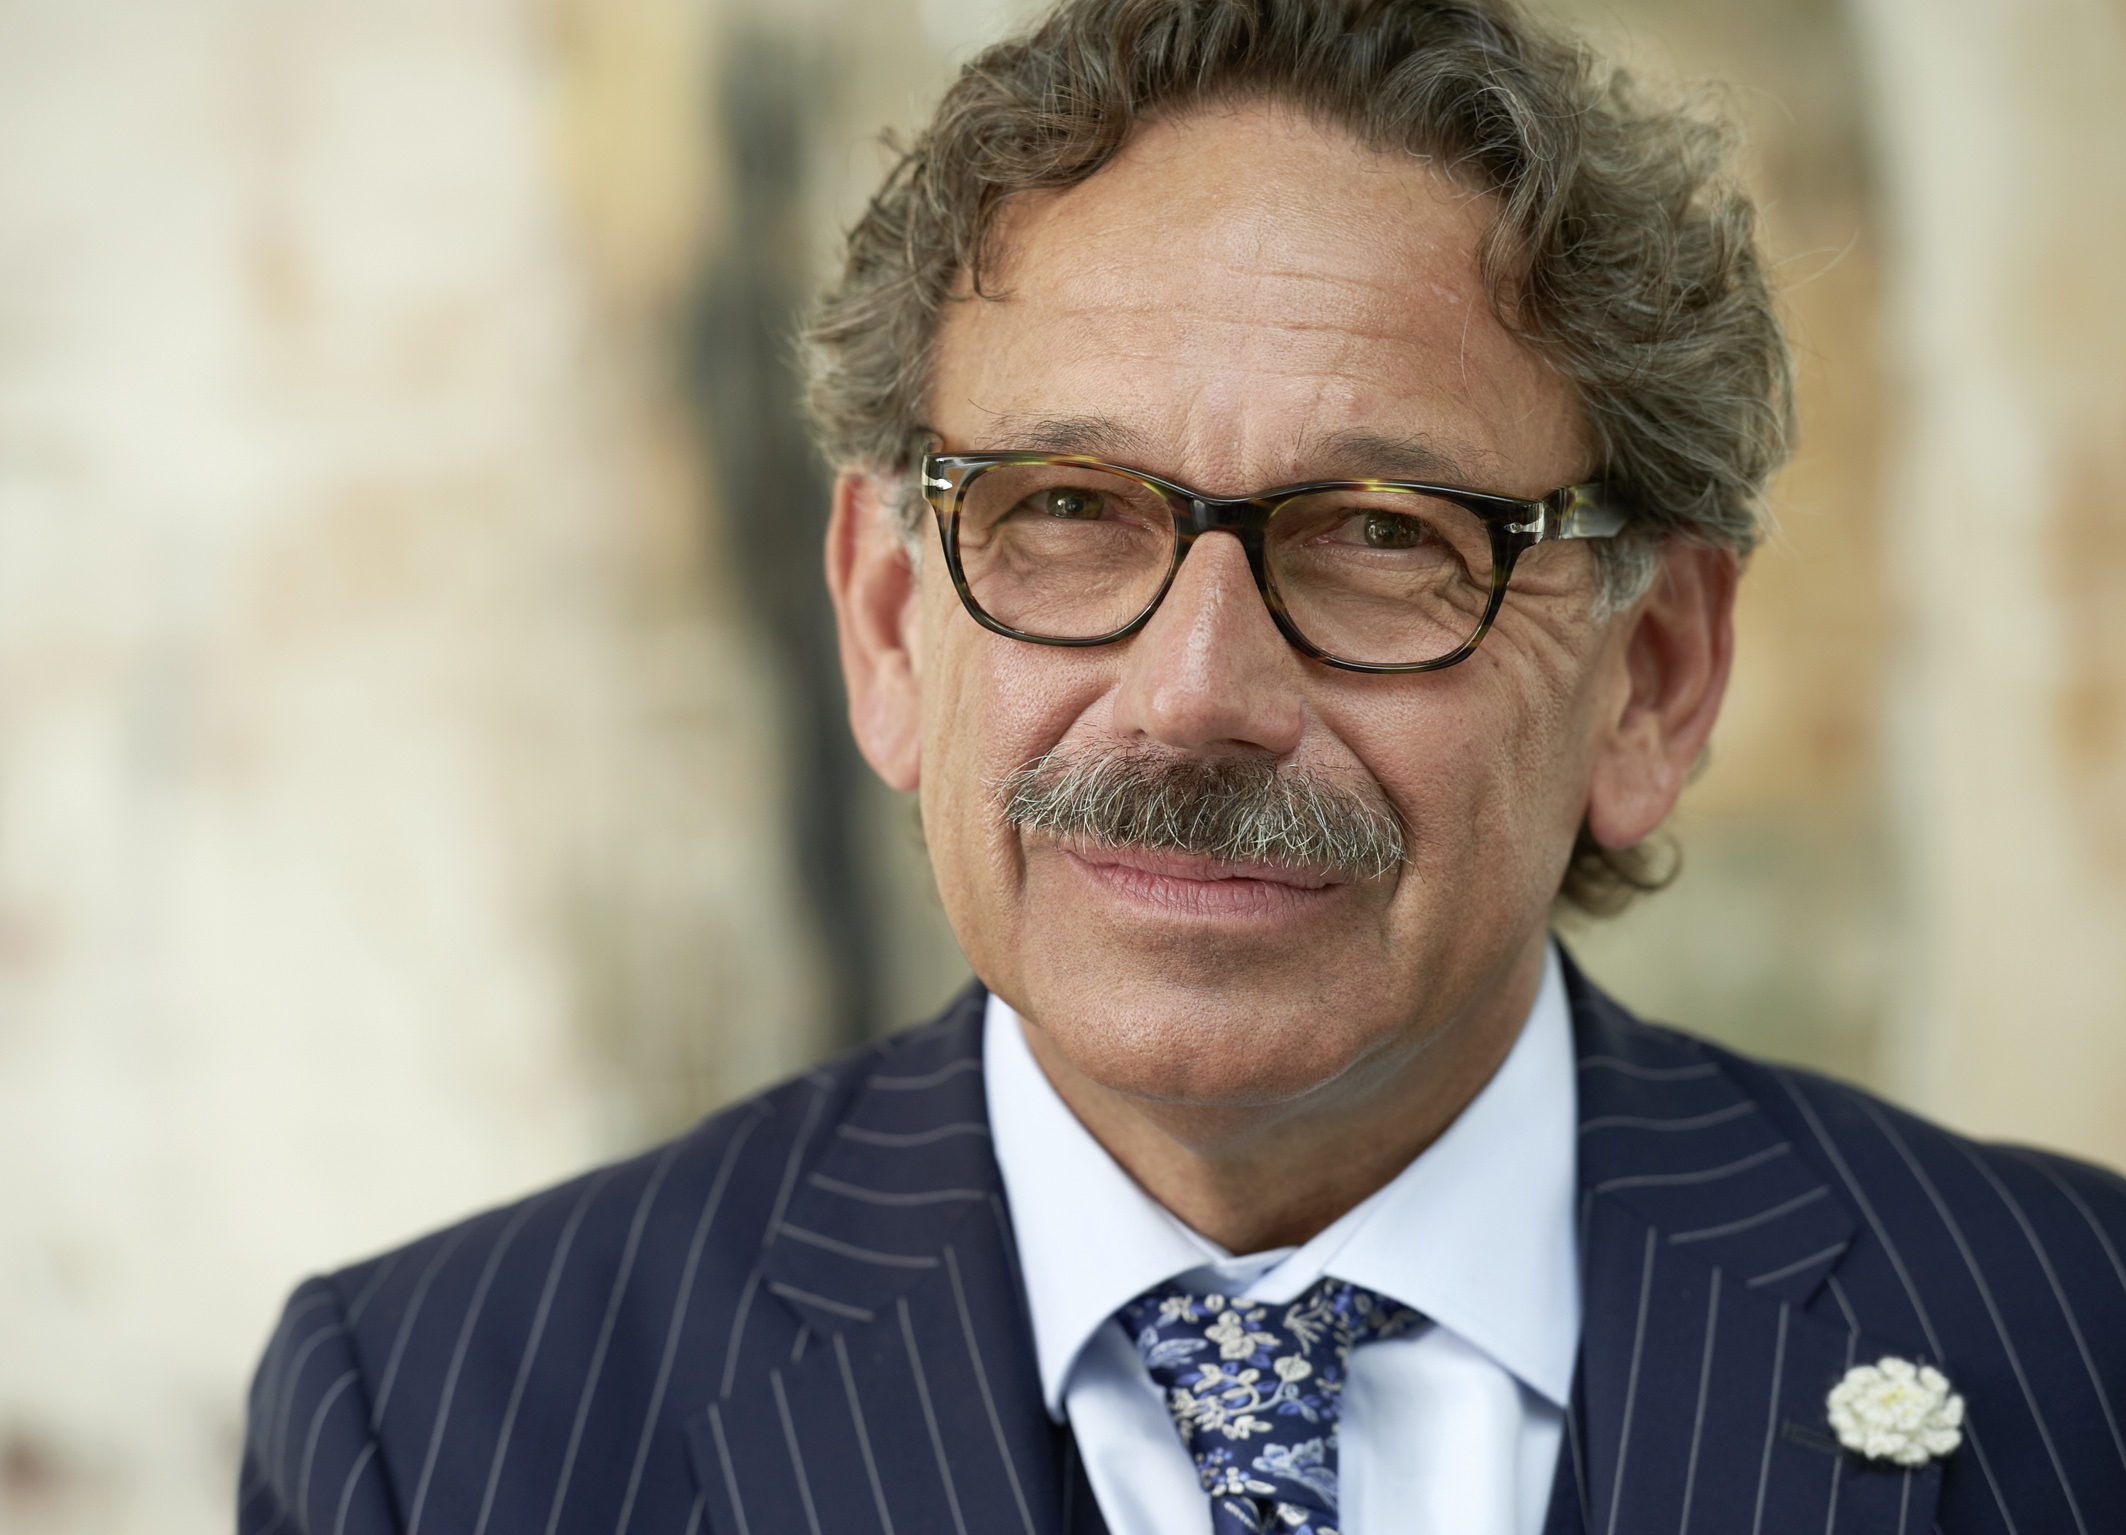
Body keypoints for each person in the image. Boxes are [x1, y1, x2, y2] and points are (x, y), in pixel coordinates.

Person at [237, 2, 2126, 1531]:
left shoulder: (2082, 1347)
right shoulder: (438, 1428)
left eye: (1381, 534)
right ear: (889, 625)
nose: (1193, 693)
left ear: (1652, 675)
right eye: (1064, 510)